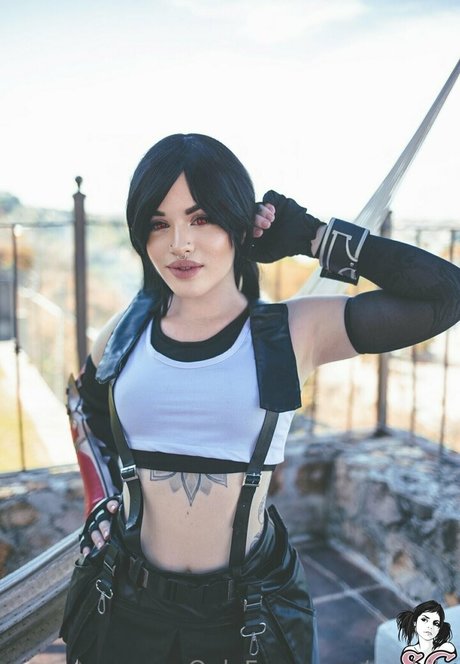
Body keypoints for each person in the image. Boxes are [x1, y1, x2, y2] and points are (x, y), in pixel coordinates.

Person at [60, 133, 460, 664]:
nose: (180, 243)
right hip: (127, 601)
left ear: (237, 223)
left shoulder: (291, 332)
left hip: (248, 611)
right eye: (159, 223)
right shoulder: (123, 331)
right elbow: (87, 416)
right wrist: (102, 502)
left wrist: (314, 236)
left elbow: (445, 295)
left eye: (202, 218)